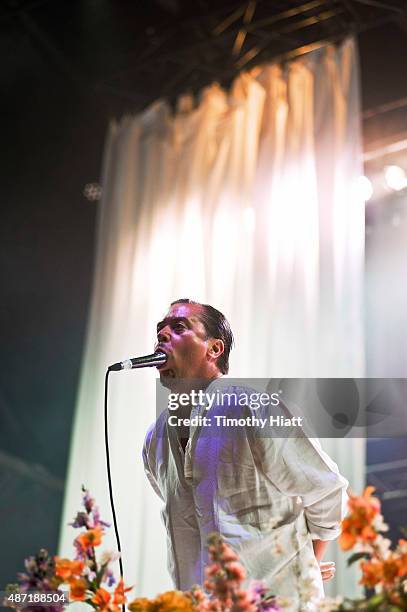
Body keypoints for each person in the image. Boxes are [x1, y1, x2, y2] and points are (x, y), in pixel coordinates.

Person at [142, 299, 348, 604]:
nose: (162, 334)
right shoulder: (155, 439)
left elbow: (327, 492)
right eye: (160, 330)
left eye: (179, 326)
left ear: (214, 349)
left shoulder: (254, 409)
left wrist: (310, 565)